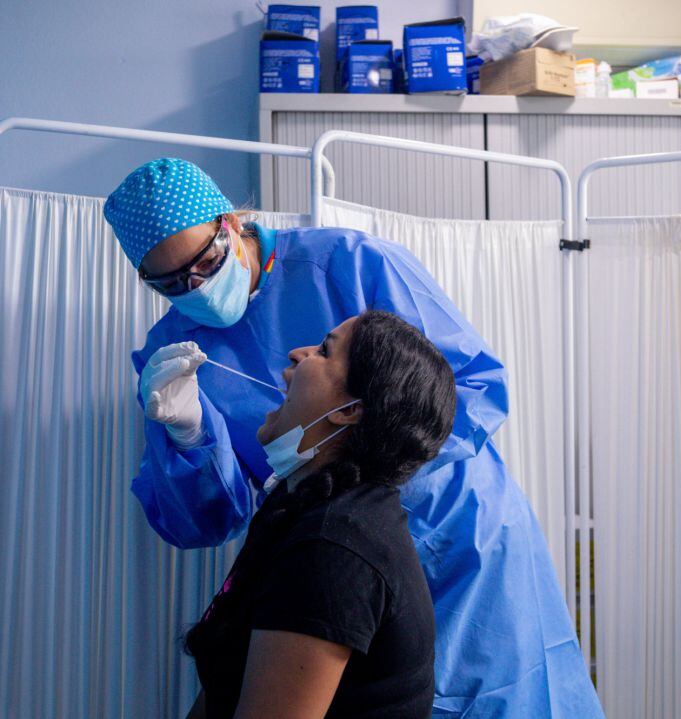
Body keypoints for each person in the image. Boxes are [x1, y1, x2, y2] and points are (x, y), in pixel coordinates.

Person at [103, 158, 601, 717]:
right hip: (332, 552)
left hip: (454, 532)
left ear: (233, 223)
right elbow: (204, 519)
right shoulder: (174, 354)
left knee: (506, 692)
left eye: (206, 262)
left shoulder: (350, 263)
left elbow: (472, 387)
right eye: (168, 283)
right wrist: (190, 435)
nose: (193, 287)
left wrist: (369, 474)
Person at [185, 311, 455, 719]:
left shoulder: (335, 547)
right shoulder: (297, 505)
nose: (297, 354)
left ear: (349, 410)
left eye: (325, 351)